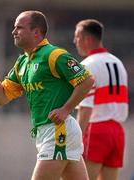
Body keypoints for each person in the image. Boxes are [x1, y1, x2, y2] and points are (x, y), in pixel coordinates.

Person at [0, 10, 94, 180]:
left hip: (58, 131)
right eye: (14, 27)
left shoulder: (54, 55)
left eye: (19, 27)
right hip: (49, 133)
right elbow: (1, 97)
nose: (13, 32)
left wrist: (65, 109)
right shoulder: (22, 63)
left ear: (36, 32)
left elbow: (87, 81)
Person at [74, 19, 129, 180]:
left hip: (96, 131)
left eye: (77, 37)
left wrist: (74, 141)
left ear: (87, 40)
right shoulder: (118, 63)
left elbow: (85, 108)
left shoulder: (86, 66)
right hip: (117, 132)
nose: (75, 42)